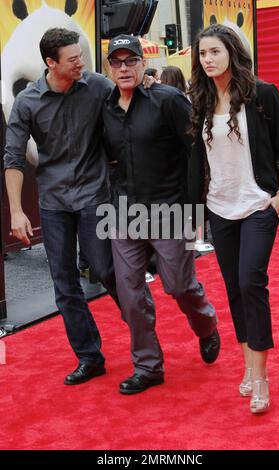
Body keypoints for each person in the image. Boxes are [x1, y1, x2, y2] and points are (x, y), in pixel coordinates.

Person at [102, 34, 220, 395]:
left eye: (131, 60)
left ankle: (206, 326)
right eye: (117, 62)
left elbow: (196, 154)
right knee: (130, 293)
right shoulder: (104, 106)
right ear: (109, 67)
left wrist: (195, 210)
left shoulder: (168, 100)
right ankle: (148, 366)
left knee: (180, 286)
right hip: (122, 212)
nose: (124, 68)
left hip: (170, 209)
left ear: (142, 63)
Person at [189, 24, 279, 413]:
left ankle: (263, 377)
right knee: (234, 288)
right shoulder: (199, 100)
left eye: (215, 52)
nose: (209, 59)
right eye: (203, 54)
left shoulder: (262, 94)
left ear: (232, 52)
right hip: (220, 208)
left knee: (252, 281)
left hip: (258, 205)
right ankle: (248, 368)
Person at [4, 28, 120, 386]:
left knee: (105, 269)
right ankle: (89, 356)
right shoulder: (28, 101)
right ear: (51, 63)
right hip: (54, 202)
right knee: (64, 283)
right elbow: (12, 157)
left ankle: (142, 330)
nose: (80, 63)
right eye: (72, 59)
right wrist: (17, 211)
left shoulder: (99, 86)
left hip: (95, 195)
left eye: (80, 56)